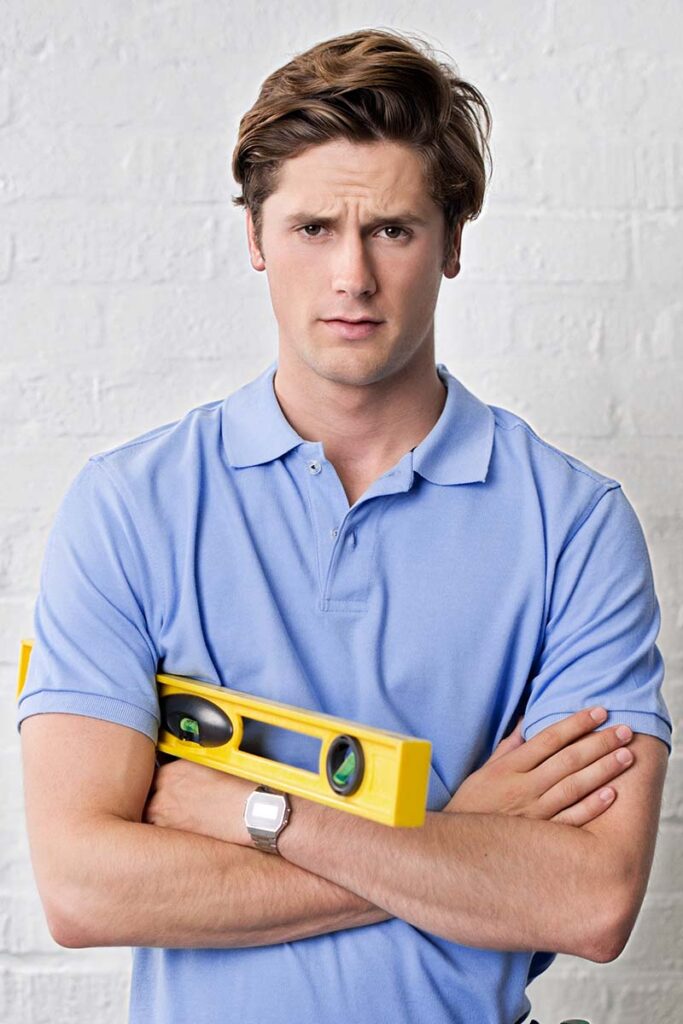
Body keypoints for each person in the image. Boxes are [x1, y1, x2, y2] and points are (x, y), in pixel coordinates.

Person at [18, 27, 672, 1024]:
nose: (351, 277)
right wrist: (458, 833)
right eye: (313, 228)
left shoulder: (573, 527)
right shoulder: (130, 508)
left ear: (453, 242)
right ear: (254, 239)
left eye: (393, 230)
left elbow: (588, 900)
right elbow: (82, 889)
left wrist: (257, 817)